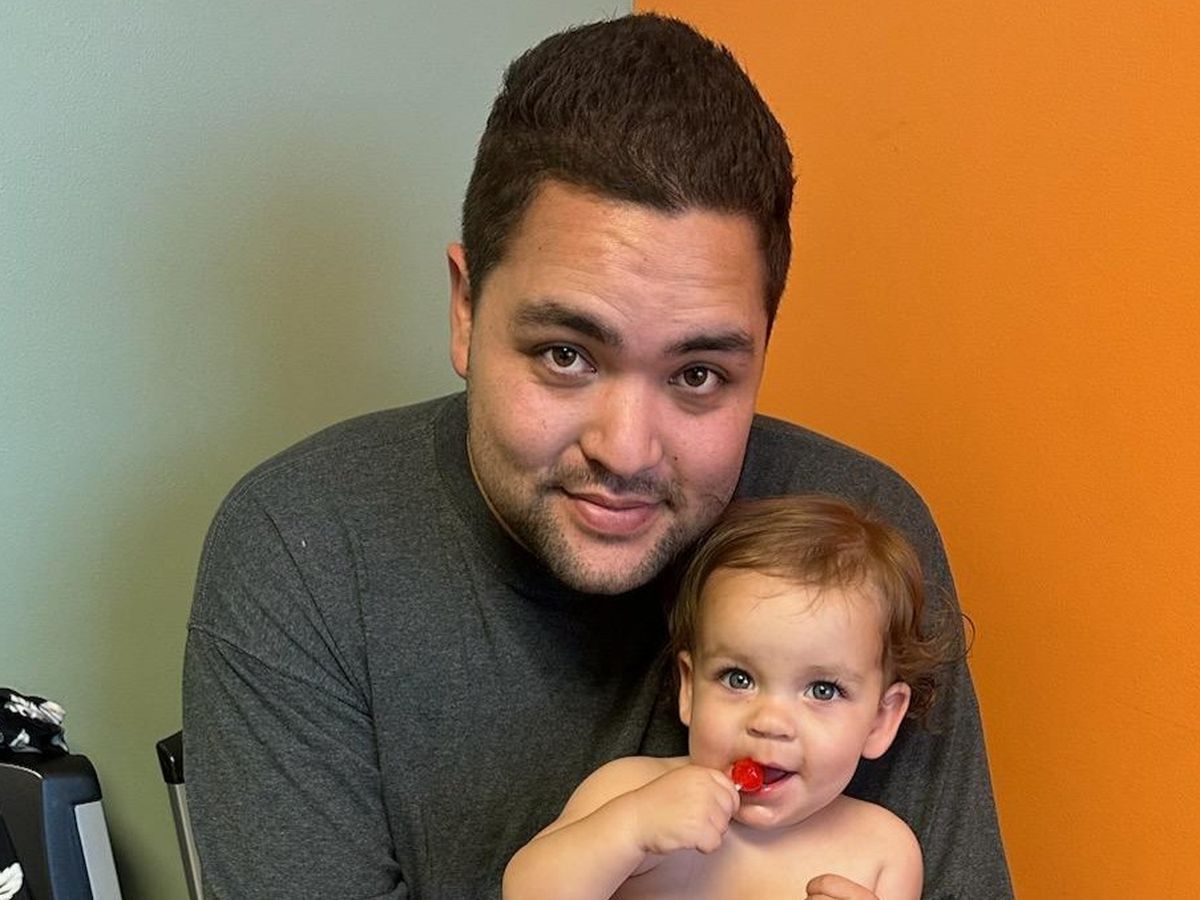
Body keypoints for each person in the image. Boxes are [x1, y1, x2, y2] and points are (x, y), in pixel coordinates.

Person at [183, 13, 1012, 899]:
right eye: (565, 355)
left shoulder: (861, 540)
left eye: (697, 374)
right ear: (466, 310)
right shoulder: (303, 552)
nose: (625, 450)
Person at [504, 495, 953, 900]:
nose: (770, 722)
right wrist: (628, 831)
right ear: (689, 687)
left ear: (880, 720)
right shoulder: (629, 790)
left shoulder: (883, 852)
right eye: (738, 679)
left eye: (823, 690)